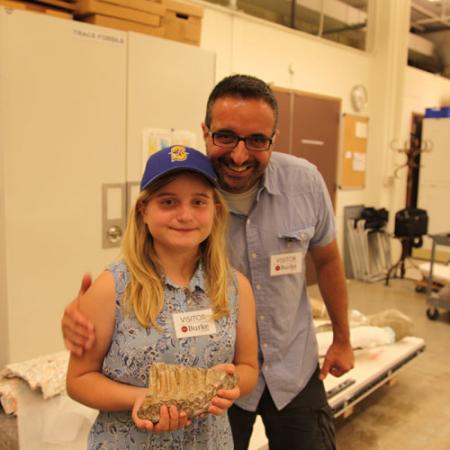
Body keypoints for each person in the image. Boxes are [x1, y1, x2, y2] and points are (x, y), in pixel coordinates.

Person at [63, 74, 354, 450]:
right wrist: (81, 315)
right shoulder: (194, 184)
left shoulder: (304, 184)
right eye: (226, 136)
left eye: (256, 140)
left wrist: (343, 340)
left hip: (291, 369)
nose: (238, 155)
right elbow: (90, 358)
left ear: (272, 139)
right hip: (216, 399)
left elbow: (328, 260)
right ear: (206, 131)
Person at [65, 145, 259, 449]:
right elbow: (78, 380)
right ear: (144, 210)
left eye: (199, 202)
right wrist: (139, 398)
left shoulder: (235, 287)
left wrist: (231, 387)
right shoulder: (111, 288)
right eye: (168, 202)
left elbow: (248, 367)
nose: (185, 215)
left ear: (215, 210)